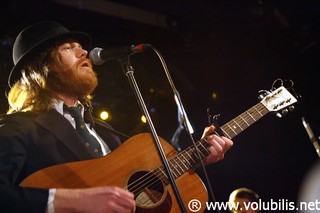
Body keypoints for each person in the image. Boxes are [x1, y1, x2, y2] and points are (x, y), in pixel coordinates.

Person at [0, 20, 233, 213]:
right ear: (38, 69)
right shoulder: (17, 128)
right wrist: (70, 201)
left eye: (79, 46)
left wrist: (196, 157)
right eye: (68, 48)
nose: (84, 52)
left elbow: (140, 185)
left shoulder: (104, 132)